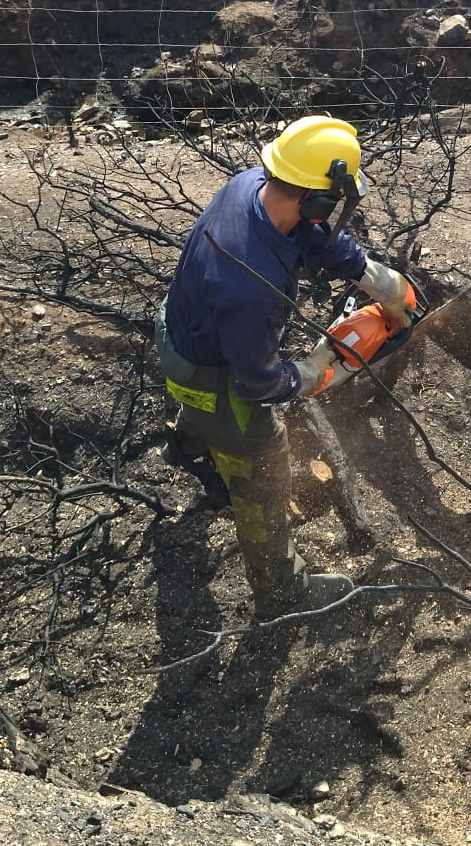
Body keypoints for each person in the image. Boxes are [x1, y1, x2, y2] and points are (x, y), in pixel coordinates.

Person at [155, 114, 412, 619]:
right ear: (318, 199)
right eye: (330, 203)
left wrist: (377, 281)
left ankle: (189, 448)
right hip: (207, 374)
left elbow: (311, 236)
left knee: (210, 419)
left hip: (177, 328)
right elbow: (259, 383)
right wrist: (318, 370)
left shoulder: (250, 184)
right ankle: (281, 593)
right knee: (265, 458)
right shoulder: (253, 288)